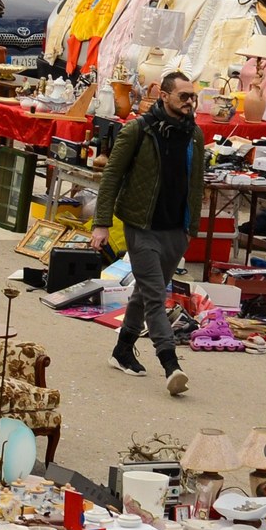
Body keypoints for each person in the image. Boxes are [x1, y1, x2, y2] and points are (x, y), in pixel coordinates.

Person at [92, 69, 201, 397]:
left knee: (144, 291)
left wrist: (190, 228)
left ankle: (122, 349)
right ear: (164, 96)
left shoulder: (194, 133)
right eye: (184, 96)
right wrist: (101, 223)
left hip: (175, 231)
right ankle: (171, 364)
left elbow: (196, 183)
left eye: (193, 96)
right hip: (141, 226)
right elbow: (111, 176)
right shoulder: (137, 130)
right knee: (156, 295)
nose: (190, 102)